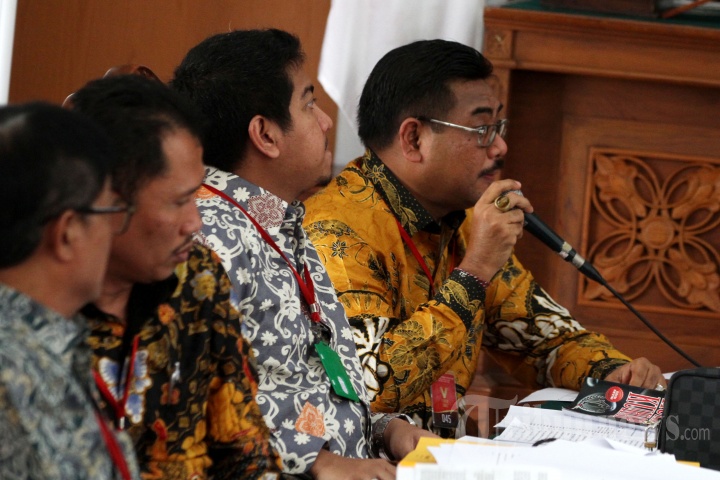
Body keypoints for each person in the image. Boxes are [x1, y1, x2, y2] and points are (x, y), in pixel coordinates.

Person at [302, 39, 666, 436]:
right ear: (414, 139)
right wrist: (474, 272)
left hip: (446, 454)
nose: (500, 146)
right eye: (481, 129)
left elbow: (542, 340)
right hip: (367, 458)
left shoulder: (464, 221)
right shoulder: (335, 232)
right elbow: (369, 383)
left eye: (499, 127)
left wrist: (612, 371)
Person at [171, 29, 435, 479]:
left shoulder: (279, 218)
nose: (326, 121)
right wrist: (317, 462)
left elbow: (306, 387)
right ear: (266, 134)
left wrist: (385, 430)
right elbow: (187, 399)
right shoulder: (208, 237)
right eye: (308, 104)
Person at [69, 74, 281, 479]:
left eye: (196, 196)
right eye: (179, 201)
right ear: (108, 201)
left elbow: (244, 447)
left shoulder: (198, 277)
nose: (194, 223)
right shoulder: (37, 312)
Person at [0, 102, 140, 479]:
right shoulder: (13, 372)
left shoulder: (48, 343)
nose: (115, 233)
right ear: (67, 233)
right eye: (111, 212)